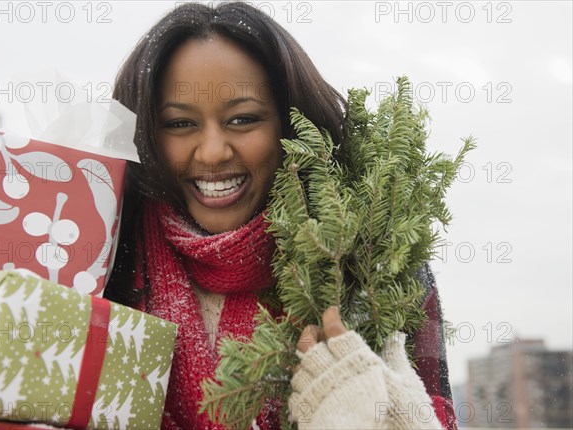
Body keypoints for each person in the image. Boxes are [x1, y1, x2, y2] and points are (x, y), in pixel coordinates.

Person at [104, 2, 457, 429]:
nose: (213, 151)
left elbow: (431, 409)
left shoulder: (378, 270)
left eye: (243, 119)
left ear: (291, 124)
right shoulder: (104, 253)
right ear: (146, 134)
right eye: (179, 124)